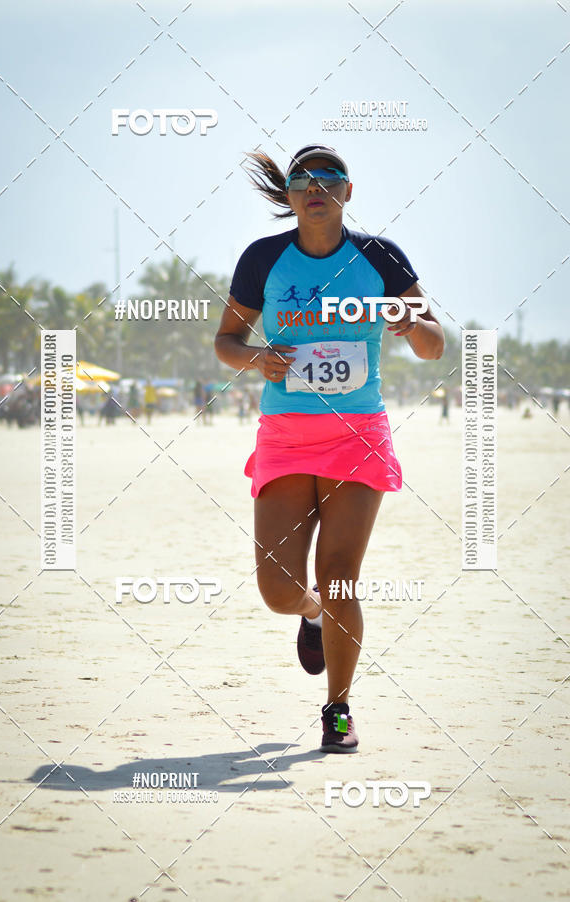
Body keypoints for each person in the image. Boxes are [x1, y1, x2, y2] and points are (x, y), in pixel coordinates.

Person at [214, 144, 444, 753]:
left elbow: (433, 345)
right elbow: (227, 341)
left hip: (357, 434)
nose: (314, 185)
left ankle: (337, 708)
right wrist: (255, 357)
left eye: (328, 176)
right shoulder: (264, 259)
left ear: (348, 190)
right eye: (301, 178)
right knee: (277, 589)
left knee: (341, 577)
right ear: (288, 195)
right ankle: (310, 613)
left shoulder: (379, 257)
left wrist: (409, 323)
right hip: (287, 434)